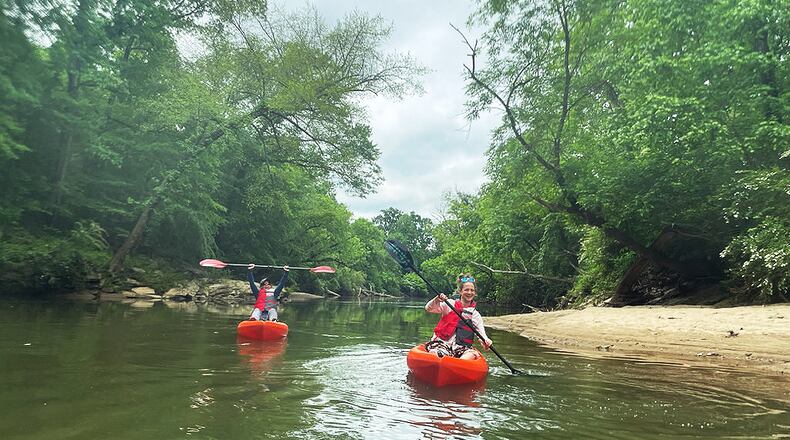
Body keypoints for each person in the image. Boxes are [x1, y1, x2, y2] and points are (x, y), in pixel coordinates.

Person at [424, 273, 493, 360]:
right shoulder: (449, 304)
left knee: (471, 355)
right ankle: (440, 361)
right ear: (460, 291)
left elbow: (482, 336)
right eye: (466, 290)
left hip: (461, 348)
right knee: (436, 353)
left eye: (472, 290)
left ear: (475, 293)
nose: (469, 292)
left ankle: (458, 365)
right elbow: (428, 308)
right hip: (442, 344)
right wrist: (436, 300)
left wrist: (486, 341)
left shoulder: (475, 315)